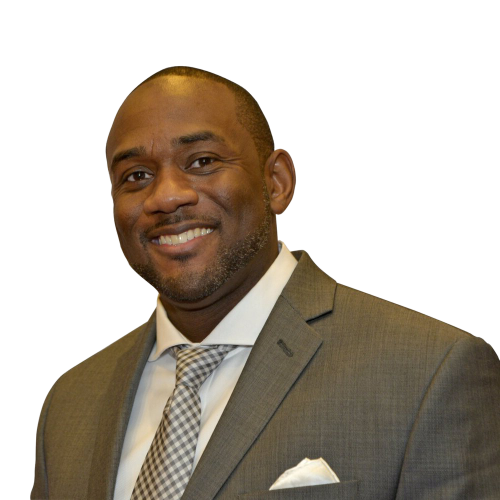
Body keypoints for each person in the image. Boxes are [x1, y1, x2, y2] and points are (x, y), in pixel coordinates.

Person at [32, 66, 500, 500]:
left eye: (202, 161)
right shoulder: (68, 404)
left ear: (276, 182)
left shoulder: (429, 374)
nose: (167, 196)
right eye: (136, 175)